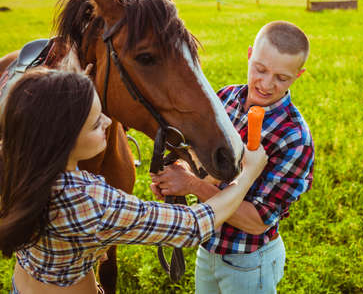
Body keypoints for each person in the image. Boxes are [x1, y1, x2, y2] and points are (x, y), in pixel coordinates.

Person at [0, 68, 267, 294]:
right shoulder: (92, 202)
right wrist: (248, 175)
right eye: (95, 123)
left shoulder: (16, 165)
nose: (107, 121)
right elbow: (193, 225)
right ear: (62, 140)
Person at [150, 20, 314, 293]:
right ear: (250, 55)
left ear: (298, 74)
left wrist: (191, 185)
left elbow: (255, 222)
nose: (265, 84)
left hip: (249, 262)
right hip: (208, 248)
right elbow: (198, 159)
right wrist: (175, 175)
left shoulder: (294, 137)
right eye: (260, 69)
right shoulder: (224, 99)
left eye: (281, 77)